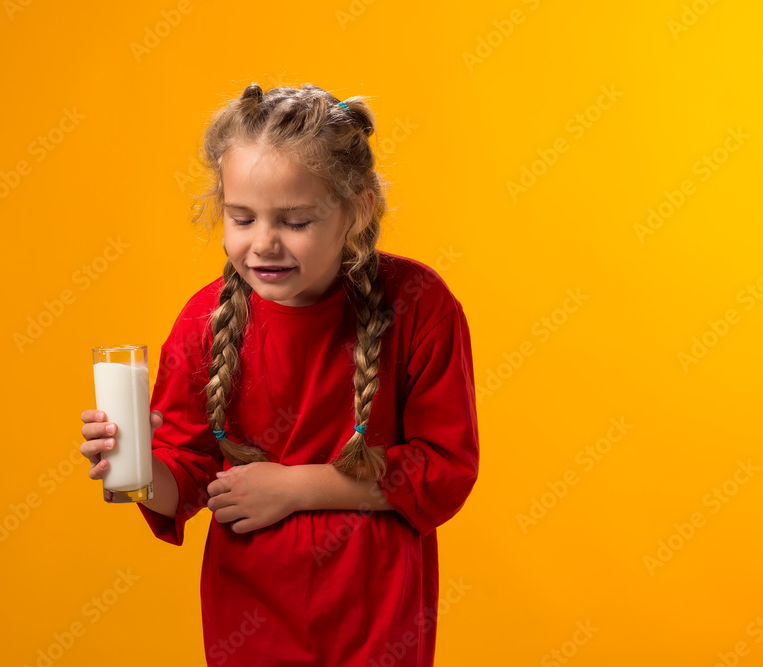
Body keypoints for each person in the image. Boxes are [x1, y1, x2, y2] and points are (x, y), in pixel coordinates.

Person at [79, 82, 479, 666]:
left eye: (295, 221)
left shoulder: (419, 303)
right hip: (251, 621)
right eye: (242, 218)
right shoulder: (203, 322)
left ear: (358, 208)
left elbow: (445, 471)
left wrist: (294, 488)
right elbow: (183, 484)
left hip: (374, 617)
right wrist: (134, 465)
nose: (263, 243)